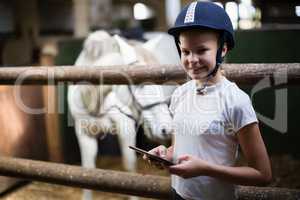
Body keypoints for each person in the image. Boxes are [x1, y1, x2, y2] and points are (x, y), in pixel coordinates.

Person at [143, 1, 272, 200]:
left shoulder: (235, 101)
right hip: (178, 194)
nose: (191, 60)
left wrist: (206, 169)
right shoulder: (180, 94)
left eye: (202, 50)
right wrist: (167, 155)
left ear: (222, 49)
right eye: (185, 51)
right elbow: (182, 146)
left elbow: (263, 174)